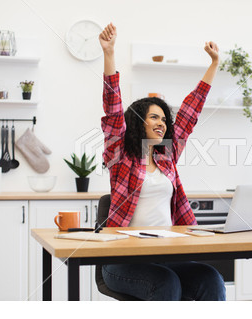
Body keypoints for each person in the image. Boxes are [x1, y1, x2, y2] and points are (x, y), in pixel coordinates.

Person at [98, 22, 225, 301]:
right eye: (154, 117)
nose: (162, 123)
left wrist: (214, 63)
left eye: (164, 119)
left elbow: (191, 111)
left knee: (211, 279)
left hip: (166, 253)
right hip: (122, 258)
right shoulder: (120, 156)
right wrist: (109, 53)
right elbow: (112, 107)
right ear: (138, 122)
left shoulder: (166, 157)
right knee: (166, 283)